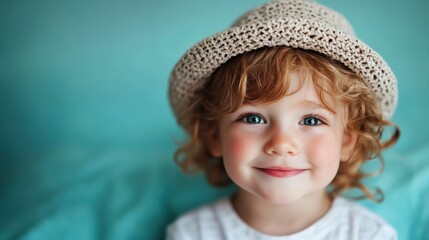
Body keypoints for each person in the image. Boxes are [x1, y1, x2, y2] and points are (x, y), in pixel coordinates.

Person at [166, 0, 400, 239]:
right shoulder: (191, 233)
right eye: (253, 118)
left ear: (347, 140)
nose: (281, 143)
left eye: (311, 120)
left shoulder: (369, 234)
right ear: (214, 135)